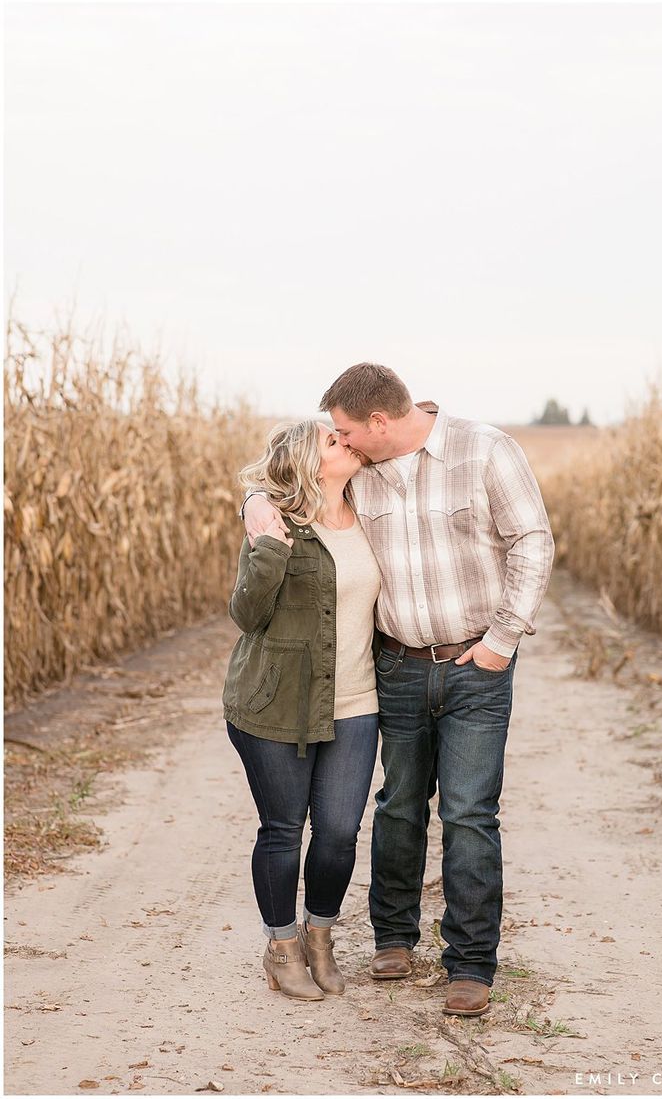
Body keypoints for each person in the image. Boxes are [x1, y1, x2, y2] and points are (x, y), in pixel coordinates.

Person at [242, 363, 555, 1017]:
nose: (342, 441)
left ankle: (470, 964)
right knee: (398, 804)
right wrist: (255, 503)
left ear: (379, 424)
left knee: (469, 811)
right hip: (397, 667)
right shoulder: (362, 474)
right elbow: (287, 489)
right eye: (336, 435)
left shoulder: (485, 450)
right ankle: (392, 939)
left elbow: (531, 540)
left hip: (477, 662)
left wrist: (503, 640)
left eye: (347, 430)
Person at [223, 418, 381, 1001]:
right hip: (275, 706)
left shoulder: (374, 510)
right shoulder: (275, 521)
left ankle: (321, 936)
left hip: (357, 703)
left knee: (339, 832)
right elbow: (247, 615)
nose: (348, 444)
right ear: (308, 464)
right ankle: (281, 945)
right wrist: (265, 544)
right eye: (334, 442)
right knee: (284, 830)